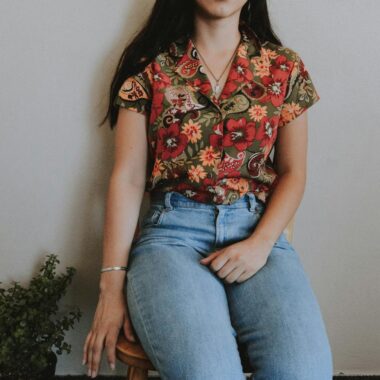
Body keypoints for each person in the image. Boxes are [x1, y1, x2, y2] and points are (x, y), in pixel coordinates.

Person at [83, 0, 333, 379]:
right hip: (172, 238)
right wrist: (110, 285)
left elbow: (293, 172)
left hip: (257, 234)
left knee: (305, 371)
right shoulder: (149, 67)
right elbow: (128, 178)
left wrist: (261, 243)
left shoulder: (285, 68)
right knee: (209, 373)